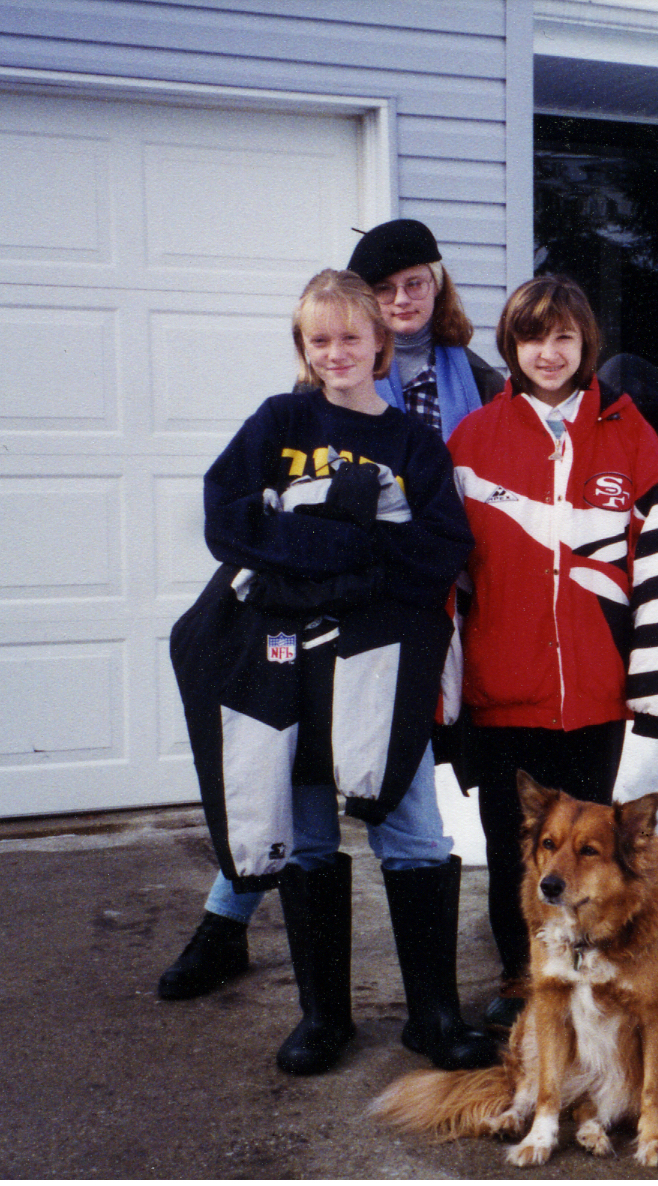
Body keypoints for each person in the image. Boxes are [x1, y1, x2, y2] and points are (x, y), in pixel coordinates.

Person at [158, 220, 501, 1002]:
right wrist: (340, 546)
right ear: (306, 344)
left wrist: (341, 552)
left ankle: (433, 1014)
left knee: (403, 810)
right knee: (297, 817)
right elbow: (230, 517)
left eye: (415, 283)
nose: (337, 352)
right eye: (321, 341)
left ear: (380, 338)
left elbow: (439, 542)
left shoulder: (446, 409)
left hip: (388, 648)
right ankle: (307, 1003)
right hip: (290, 653)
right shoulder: (282, 420)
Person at [445, 274, 658, 1027]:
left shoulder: (628, 434)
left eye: (563, 338)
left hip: (591, 699)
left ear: (586, 345)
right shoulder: (474, 440)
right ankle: (523, 983)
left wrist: (653, 684)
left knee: (586, 863)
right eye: (531, 338)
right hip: (501, 695)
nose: (547, 354)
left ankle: (579, 987)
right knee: (516, 854)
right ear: (510, 347)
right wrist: (442, 697)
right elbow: (446, 580)